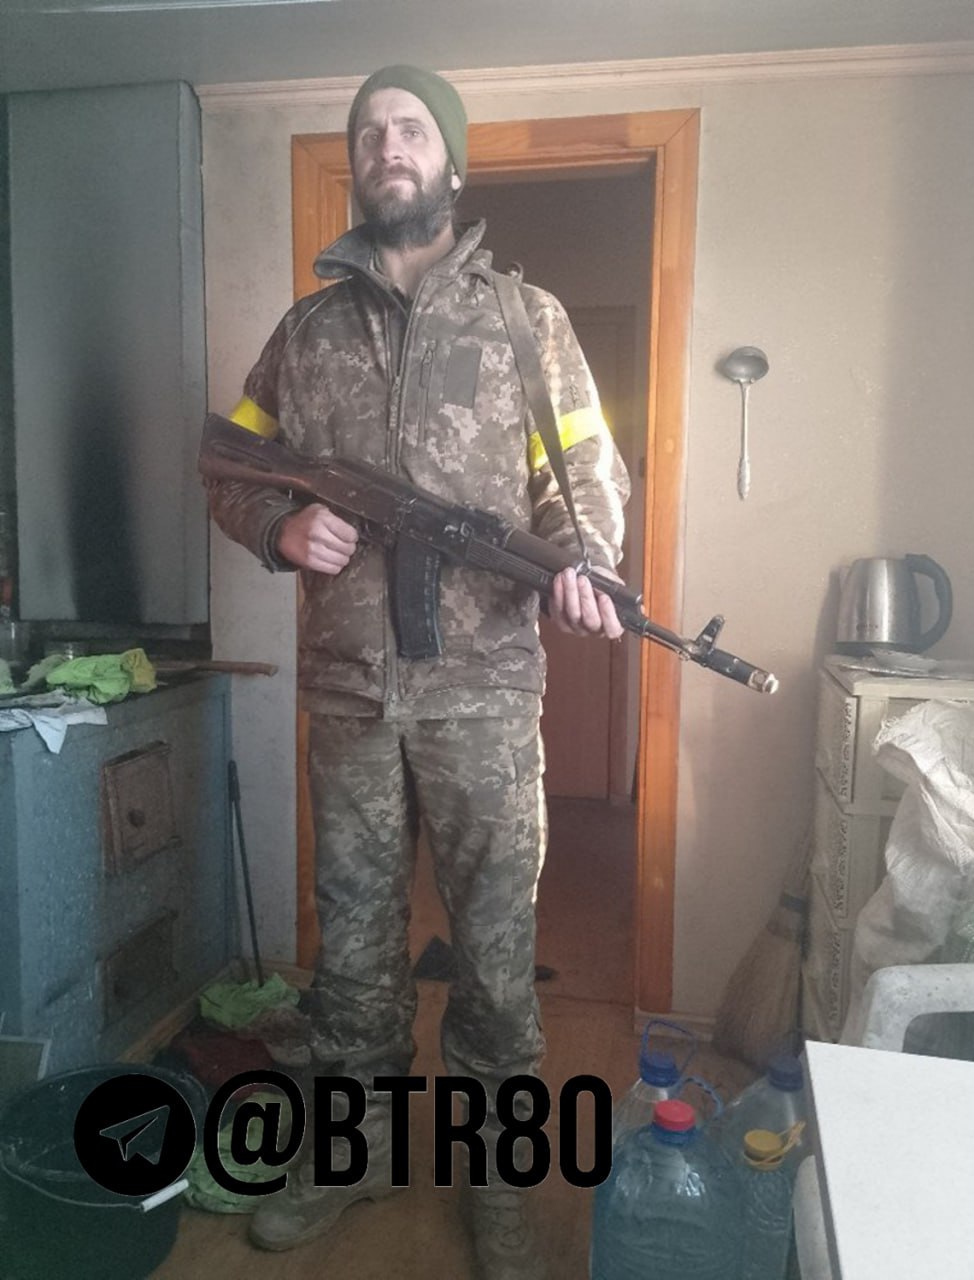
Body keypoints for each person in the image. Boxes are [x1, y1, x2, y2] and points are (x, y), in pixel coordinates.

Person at [206, 64, 630, 1279]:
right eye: (368, 133)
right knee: (350, 956)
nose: (387, 146)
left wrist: (585, 566)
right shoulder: (306, 333)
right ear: (356, 166)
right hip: (348, 694)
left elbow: (582, 476)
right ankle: (358, 1152)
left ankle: (497, 1182)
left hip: (484, 697)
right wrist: (277, 527)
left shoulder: (524, 319)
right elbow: (230, 461)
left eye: (409, 129)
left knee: (493, 958)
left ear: (449, 160)